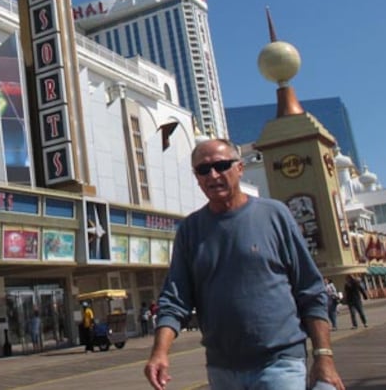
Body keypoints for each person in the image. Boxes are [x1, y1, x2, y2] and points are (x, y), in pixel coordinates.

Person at [143, 139, 344, 390]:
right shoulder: (190, 230)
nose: (213, 175)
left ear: (239, 168)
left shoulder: (275, 215)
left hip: (280, 364)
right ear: (196, 177)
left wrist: (323, 357)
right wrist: (159, 353)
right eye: (203, 170)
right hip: (222, 370)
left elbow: (310, 290)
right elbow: (175, 300)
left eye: (221, 165)